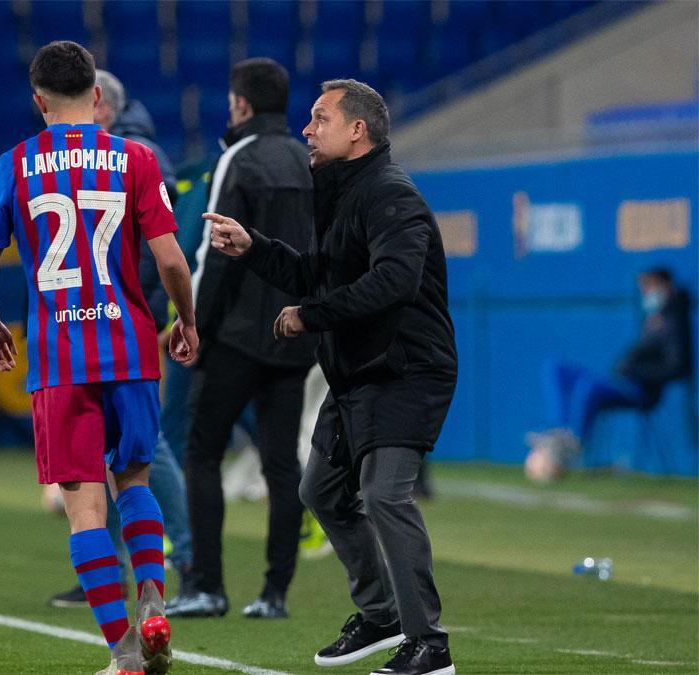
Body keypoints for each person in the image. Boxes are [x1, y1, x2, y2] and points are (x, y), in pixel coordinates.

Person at [204, 79, 457, 675]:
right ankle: (380, 613)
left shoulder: (391, 195)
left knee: (385, 494)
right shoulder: (341, 191)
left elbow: (393, 282)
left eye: (320, 119)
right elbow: (318, 274)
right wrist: (254, 248)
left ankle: (430, 646)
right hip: (357, 374)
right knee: (318, 490)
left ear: (357, 131)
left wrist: (309, 315)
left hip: (405, 370)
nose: (307, 129)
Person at [0, 40, 199, 675]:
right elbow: (173, 260)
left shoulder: (14, 165)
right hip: (126, 346)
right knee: (136, 481)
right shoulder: (134, 159)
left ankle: (125, 653)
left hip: (59, 358)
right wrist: (185, 320)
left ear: (37, 101)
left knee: (83, 507)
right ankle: (154, 596)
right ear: (97, 98)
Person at [170, 57, 319, 621]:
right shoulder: (309, 159)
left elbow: (219, 254)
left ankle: (208, 585)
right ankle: (275, 593)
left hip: (235, 336)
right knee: (282, 463)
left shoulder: (239, 156)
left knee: (202, 452)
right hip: (294, 332)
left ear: (240, 104)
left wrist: (193, 325)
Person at [46, 69, 196, 612]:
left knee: (138, 459)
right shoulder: (134, 155)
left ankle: (184, 561)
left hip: (115, 327)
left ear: (98, 104)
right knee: (128, 462)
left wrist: (163, 314)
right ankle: (126, 576)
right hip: (122, 326)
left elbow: (164, 251)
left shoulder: (131, 154)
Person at [530, 267, 693, 459]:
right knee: (555, 368)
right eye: (644, 287)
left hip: (642, 390)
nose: (646, 292)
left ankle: (575, 441)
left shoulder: (675, 322)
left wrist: (637, 371)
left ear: (666, 287)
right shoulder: (653, 317)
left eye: (650, 286)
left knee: (589, 387)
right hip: (624, 381)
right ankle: (559, 430)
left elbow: (678, 367)